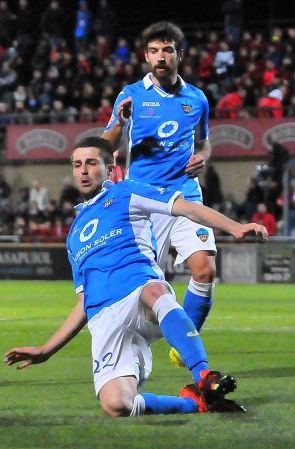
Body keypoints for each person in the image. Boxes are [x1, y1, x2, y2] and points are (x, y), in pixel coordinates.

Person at [5, 137, 267, 416]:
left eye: (91, 163)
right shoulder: (73, 235)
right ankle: (196, 403)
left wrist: (235, 227)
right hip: (104, 319)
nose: (82, 171)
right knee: (117, 405)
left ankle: (204, 376)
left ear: (109, 169)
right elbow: (84, 301)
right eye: (77, 165)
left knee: (155, 292)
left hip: (138, 291)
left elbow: (187, 207)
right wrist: (46, 350)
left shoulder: (126, 192)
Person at [100, 22, 217, 369]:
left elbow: (204, 141)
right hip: (145, 204)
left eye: (167, 50)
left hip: (185, 196)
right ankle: (124, 356)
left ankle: (186, 346)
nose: (160, 57)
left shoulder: (197, 99)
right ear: (146, 56)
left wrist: (203, 158)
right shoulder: (131, 95)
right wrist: (120, 125)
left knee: (205, 269)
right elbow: (103, 147)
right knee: (144, 293)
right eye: (154, 51)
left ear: (180, 55)